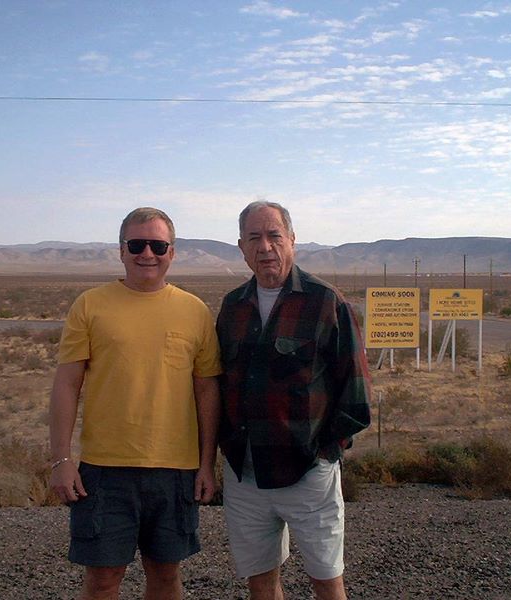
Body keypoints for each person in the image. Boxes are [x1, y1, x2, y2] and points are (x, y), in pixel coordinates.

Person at [48, 207, 221, 600]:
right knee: (104, 580)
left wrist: (207, 463)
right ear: (121, 250)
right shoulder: (90, 305)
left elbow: (207, 391)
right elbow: (66, 383)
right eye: (137, 244)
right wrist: (61, 459)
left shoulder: (195, 311)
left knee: (165, 576)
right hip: (105, 470)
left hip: (175, 470)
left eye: (158, 245)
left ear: (172, 252)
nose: (148, 253)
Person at [217, 200, 372, 600]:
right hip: (245, 475)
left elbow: (355, 393)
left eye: (274, 236)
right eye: (254, 238)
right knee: (261, 580)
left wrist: (326, 454)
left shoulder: (326, 302)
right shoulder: (232, 307)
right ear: (241, 246)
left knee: (326, 579)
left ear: (292, 241)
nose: (265, 247)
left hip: (307, 472)